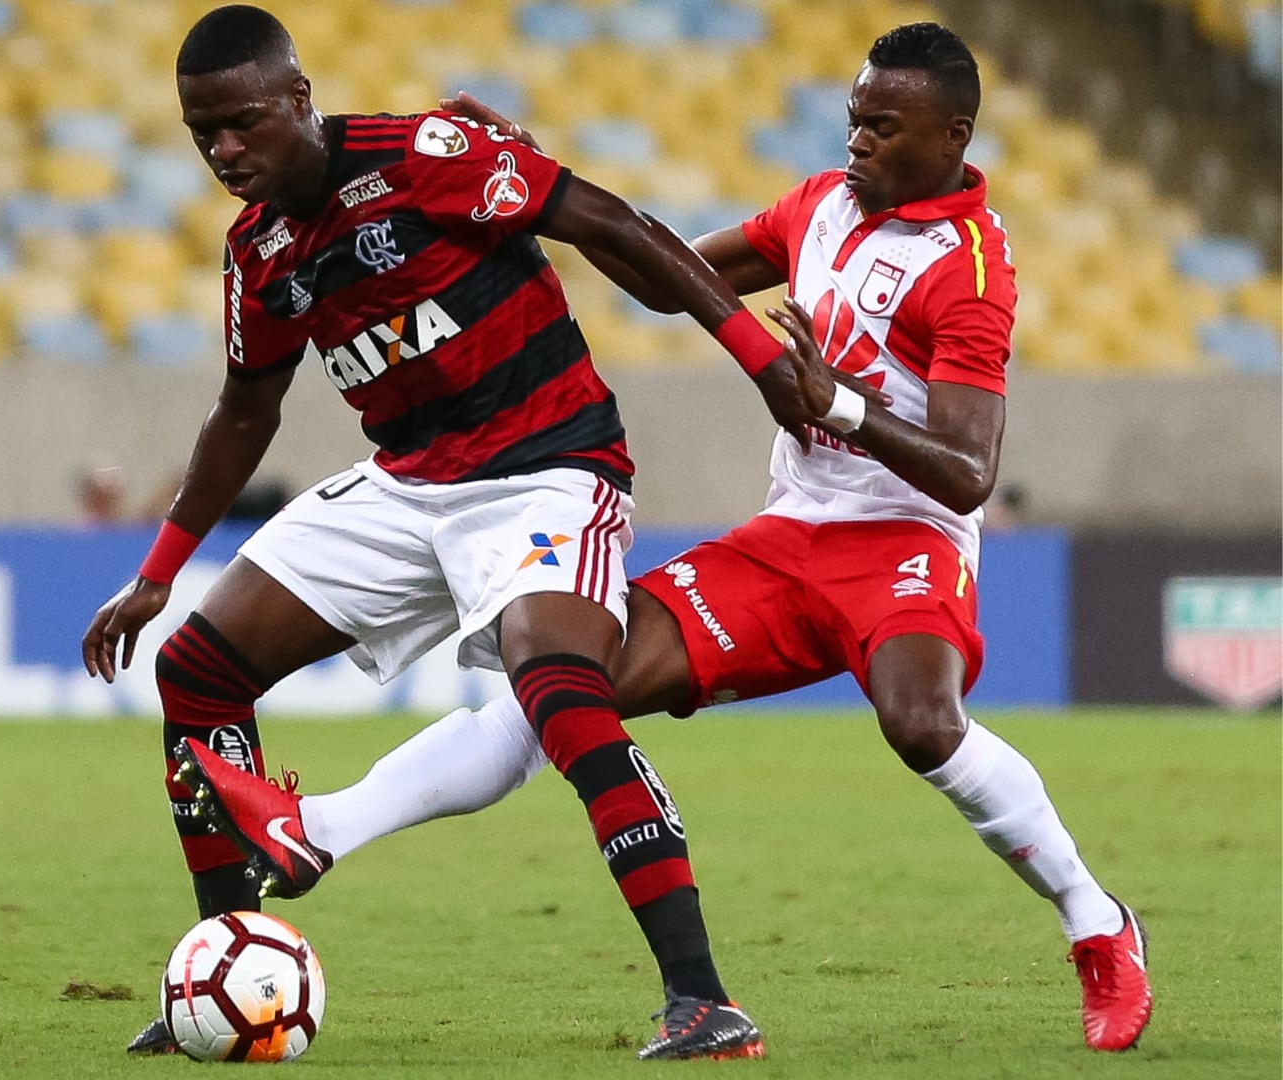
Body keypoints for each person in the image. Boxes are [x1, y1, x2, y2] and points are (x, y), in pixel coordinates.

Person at [183, 22, 1154, 1056]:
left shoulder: (970, 267)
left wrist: (847, 408)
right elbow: (657, 271)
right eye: (853, 119)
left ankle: (1098, 926)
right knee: (559, 688)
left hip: (904, 540)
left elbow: (969, 473)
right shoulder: (818, 207)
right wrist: (529, 167)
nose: (857, 142)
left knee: (919, 723)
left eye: (883, 126)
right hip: (786, 542)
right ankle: (318, 831)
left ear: (953, 134)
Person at [79, 4, 878, 1062]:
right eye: (202, 134)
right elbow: (243, 412)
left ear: (299, 100)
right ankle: (228, 967)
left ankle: (702, 1000)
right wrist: (157, 573)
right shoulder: (261, 250)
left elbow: (618, 228)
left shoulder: (427, 158)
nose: (225, 151)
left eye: (242, 123)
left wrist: (764, 363)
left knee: (556, 683)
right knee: (197, 668)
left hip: (548, 472)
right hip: (410, 486)